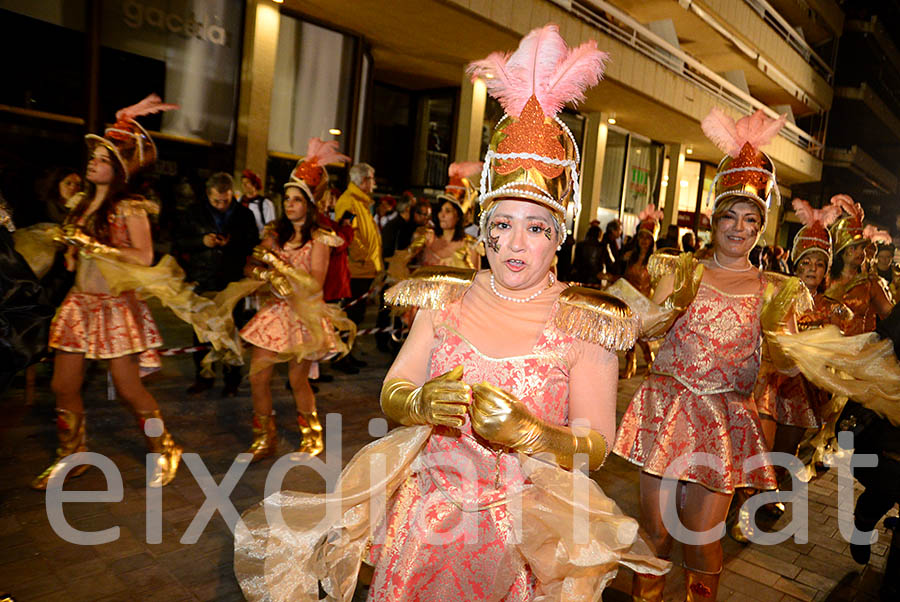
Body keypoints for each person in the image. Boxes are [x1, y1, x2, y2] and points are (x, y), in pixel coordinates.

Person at [234, 24, 668, 601]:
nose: (515, 244)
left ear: (557, 235)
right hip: (426, 521)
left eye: (534, 227)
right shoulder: (444, 298)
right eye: (502, 224)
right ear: (482, 229)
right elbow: (394, 388)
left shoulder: (586, 320)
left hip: (522, 537)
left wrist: (534, 433)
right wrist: (417, 401)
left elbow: (595, 443)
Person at [612, 106, 805, 600]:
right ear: (713, 219)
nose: (738, 228)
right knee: (653, 535)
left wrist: (796, 352)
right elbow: (639, 327)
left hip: (723, 419)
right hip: (666, 410)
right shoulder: (679, 271)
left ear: (761, 228)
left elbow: (786, 362)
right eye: (729, 217)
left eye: (750, 220)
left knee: (702, 540)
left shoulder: (773, 290)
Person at [32, 96, 183, 490]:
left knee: (130, 387)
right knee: (62, 385)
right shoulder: (81, 204)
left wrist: (96, 247)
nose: (92, 162)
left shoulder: (130, 206)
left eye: (101, 157)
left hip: (115, 308)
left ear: (117, 166)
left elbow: (145, 255)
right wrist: (69, 245)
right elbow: (73, 257)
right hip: (80, 305)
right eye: (93, 157)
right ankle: (73, 456)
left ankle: (164, 447)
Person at [238, 175, 353, 461]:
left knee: (297, 380)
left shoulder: (320, 239)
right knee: (257, 376)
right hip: (275, 312)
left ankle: (312, 435)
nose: (290, 205)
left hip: (304, 316)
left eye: (297, 199)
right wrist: (264, 274)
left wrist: (279, 266)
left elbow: (315, 283)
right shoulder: (274, 233)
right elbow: (250, 265)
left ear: (309, 205)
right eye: (287, 199)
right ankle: (265, 437)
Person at [752, 199, 852, 512]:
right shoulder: (777, 290)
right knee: (760, 446)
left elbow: (837, 348)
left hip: (803, 391)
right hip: (769, 382)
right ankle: (749, 497)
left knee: (785, 450)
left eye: (818, 263)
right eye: (806, 262)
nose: (811, 268)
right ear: (796, 264)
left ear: (826, 271)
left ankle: (769, 495)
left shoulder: (833, 307)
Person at [175, 172, 260, 396]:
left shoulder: (244, 215)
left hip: (232, 280)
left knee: (232, 329)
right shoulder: (194, 213)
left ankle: (232, 379)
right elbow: (179, 242)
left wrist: (232, 243)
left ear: (233, 194)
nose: (221, 205)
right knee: (202, 331)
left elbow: (252, 243)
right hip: (203, 278)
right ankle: (204, 375)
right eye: (216, 201)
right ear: (208, 195)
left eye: (226, 200)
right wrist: (201, 242)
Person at [334, 163, 382, 367]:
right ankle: (341, 357)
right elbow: (349, 236)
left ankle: (348, 353)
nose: (375, 184)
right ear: (363, 181)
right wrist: (364, 258)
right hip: (355, 270)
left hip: (363, 269)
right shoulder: (350, 203)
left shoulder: (361, 203)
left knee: (356, 315)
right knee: (349, 315)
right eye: (372, 179)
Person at [825, 195, 893, 335]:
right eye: (853, 248)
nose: (860, 252)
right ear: (841, 252)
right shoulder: (825, 281)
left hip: (861, 351)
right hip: (828, 349)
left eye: (862, 248)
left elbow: (891, 316)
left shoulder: (871, 284)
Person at [620, 204, 661, 379]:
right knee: (629, 336)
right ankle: (631, 363)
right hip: (629, 301)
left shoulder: (655, 261)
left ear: (652, 241)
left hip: (645, 303)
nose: (643, 241)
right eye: (641, 237)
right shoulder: (630, 257)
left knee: (642, 338)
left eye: (647, 238)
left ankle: (650, 361)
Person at [239, 169, 276, 236]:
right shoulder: (239, 201)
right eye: (242, 182)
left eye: (247, 182)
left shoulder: (266, 203)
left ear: (255, 184)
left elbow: (270, 226)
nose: (244, 185)